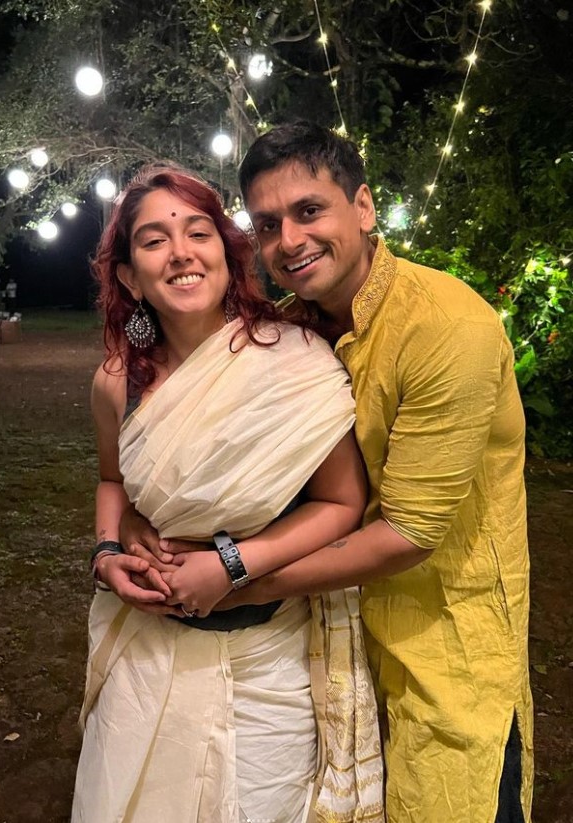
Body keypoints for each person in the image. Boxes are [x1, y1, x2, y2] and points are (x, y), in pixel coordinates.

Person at [123, 122, 533, 823]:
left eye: (309, 210)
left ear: (363, 207)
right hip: (328, 643)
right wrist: (138, 528)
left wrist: (234, 580)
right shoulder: (290, 334)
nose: (289, 239)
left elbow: (408, 533)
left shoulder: (446, 328)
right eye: (268, 224)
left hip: (446, 644)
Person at [71, 164, 384, 823]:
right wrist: (107, 550)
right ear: (129, 276)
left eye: (198, 232)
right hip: (145, 651)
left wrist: (232, 565)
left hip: (265, 665)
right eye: (154, 241)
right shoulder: (116, 381)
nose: (181, 253)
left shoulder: (296, 360)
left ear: (225, 249)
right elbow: (112, 481)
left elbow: (342, 504)